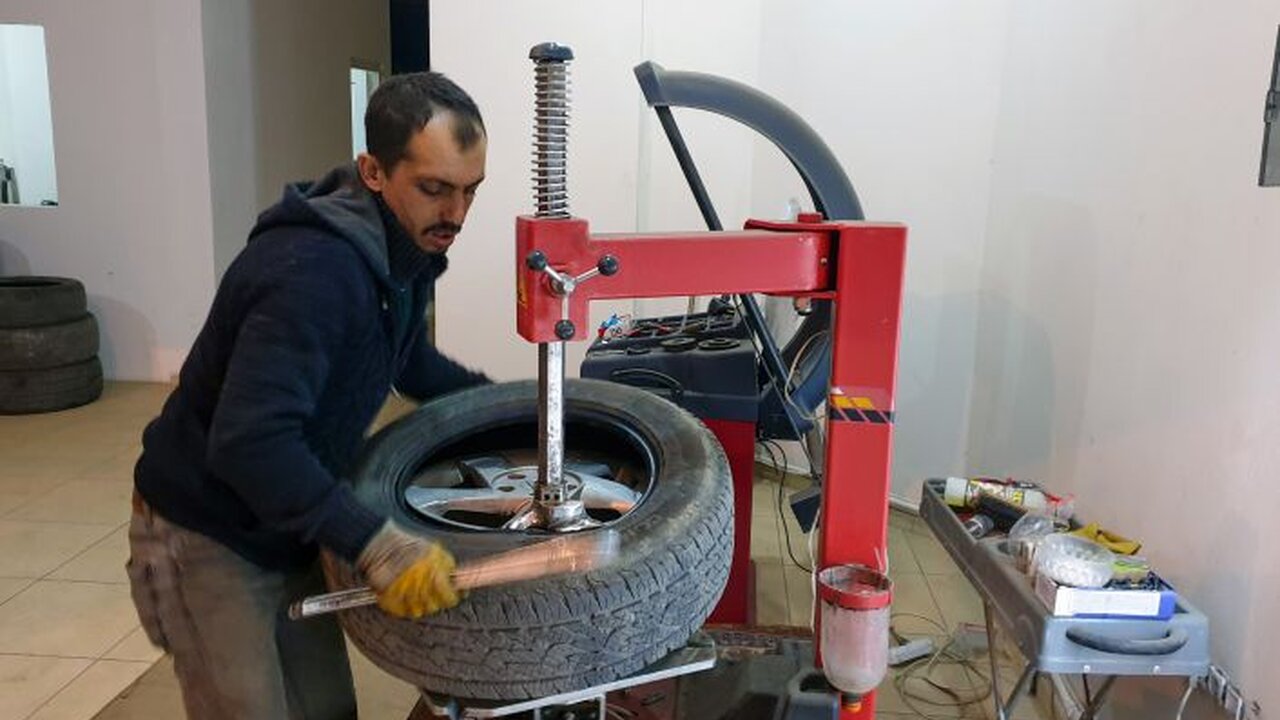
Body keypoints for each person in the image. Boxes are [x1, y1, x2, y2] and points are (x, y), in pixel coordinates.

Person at [125, 71, 490, 720]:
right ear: (373, 171)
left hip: (286, 517)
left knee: (325, 709)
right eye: (434, 189)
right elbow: (250, 442)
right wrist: (373, 542)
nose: (456, 215)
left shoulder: (400, 254)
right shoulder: (313, 273)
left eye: (470, 191)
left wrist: (517, 409)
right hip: (205, 533)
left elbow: (409, 361)